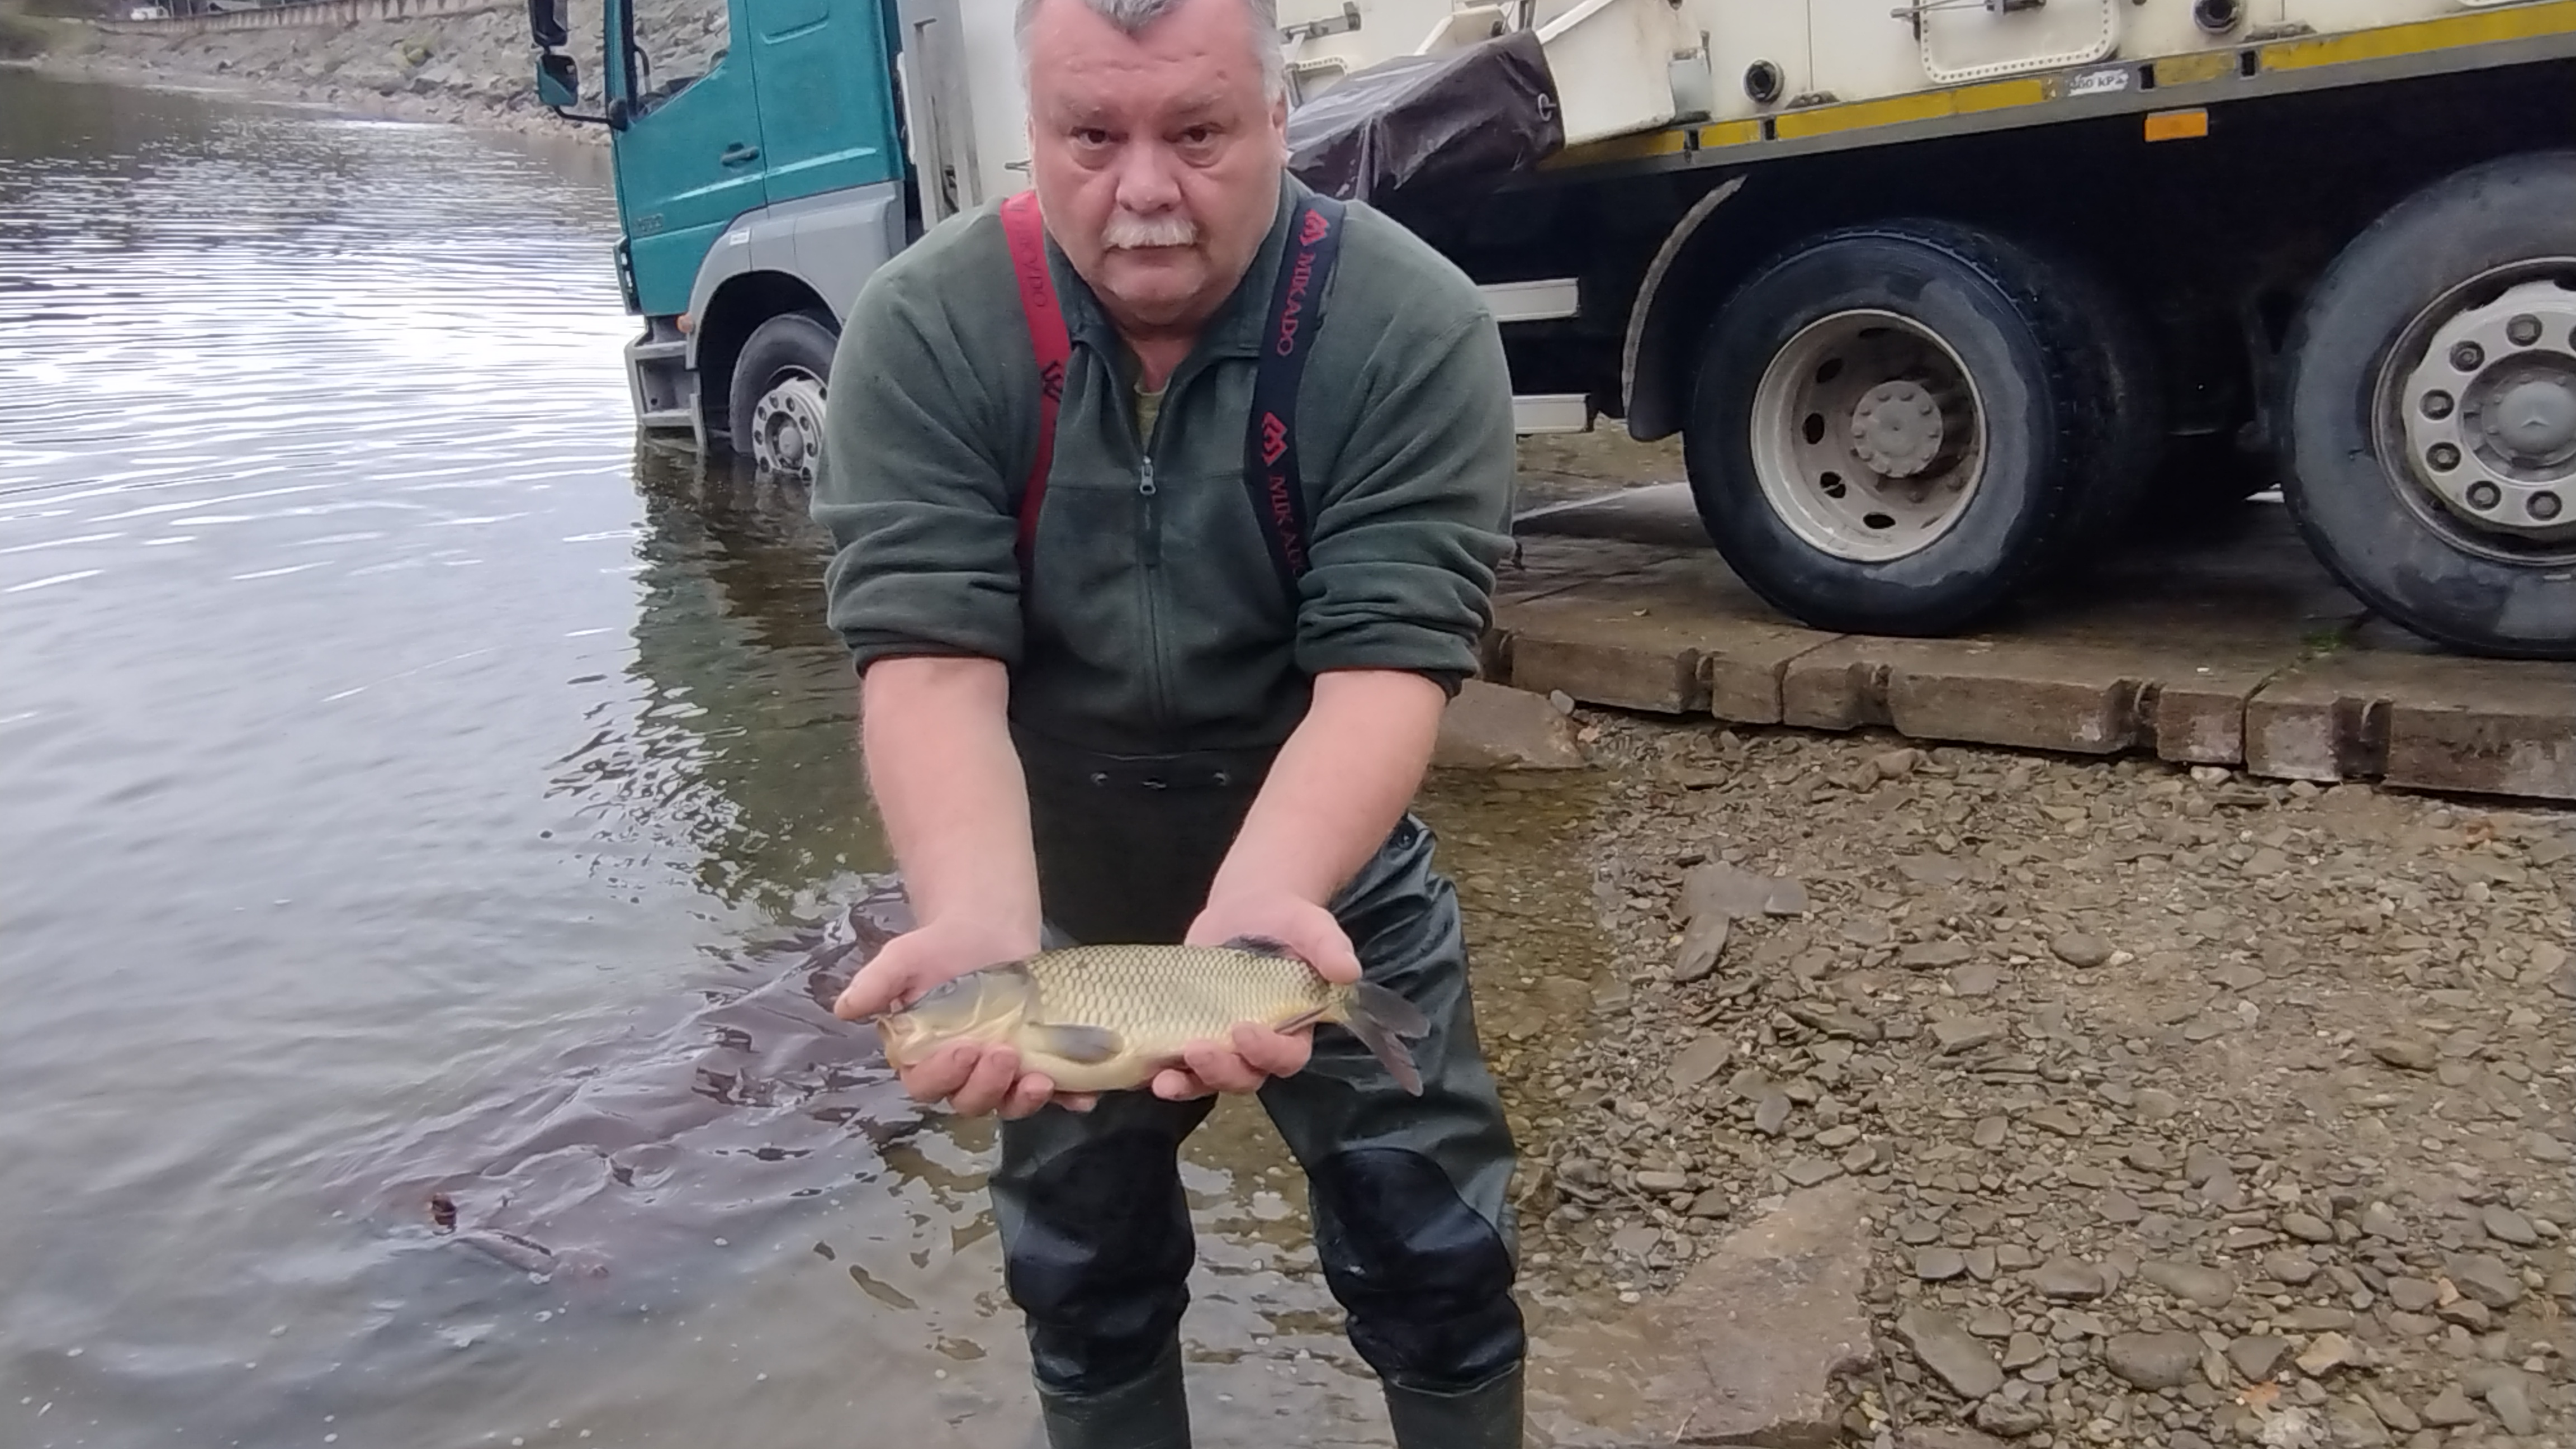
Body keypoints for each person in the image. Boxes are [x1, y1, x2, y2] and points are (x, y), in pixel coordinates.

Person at [808, 0, 1523, 1445]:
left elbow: (1387, 663)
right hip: (1053, 893)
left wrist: (1269, 897)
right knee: (1082, 1284)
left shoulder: (1410, 327)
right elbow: (930, 660)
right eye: (1091, 136)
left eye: (1196, 134)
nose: (1141, 193)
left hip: (1330, 889)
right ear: (1034, 133)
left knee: (1437, 1254)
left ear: (1279, 116)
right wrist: (975, 913)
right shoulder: (925, 331)